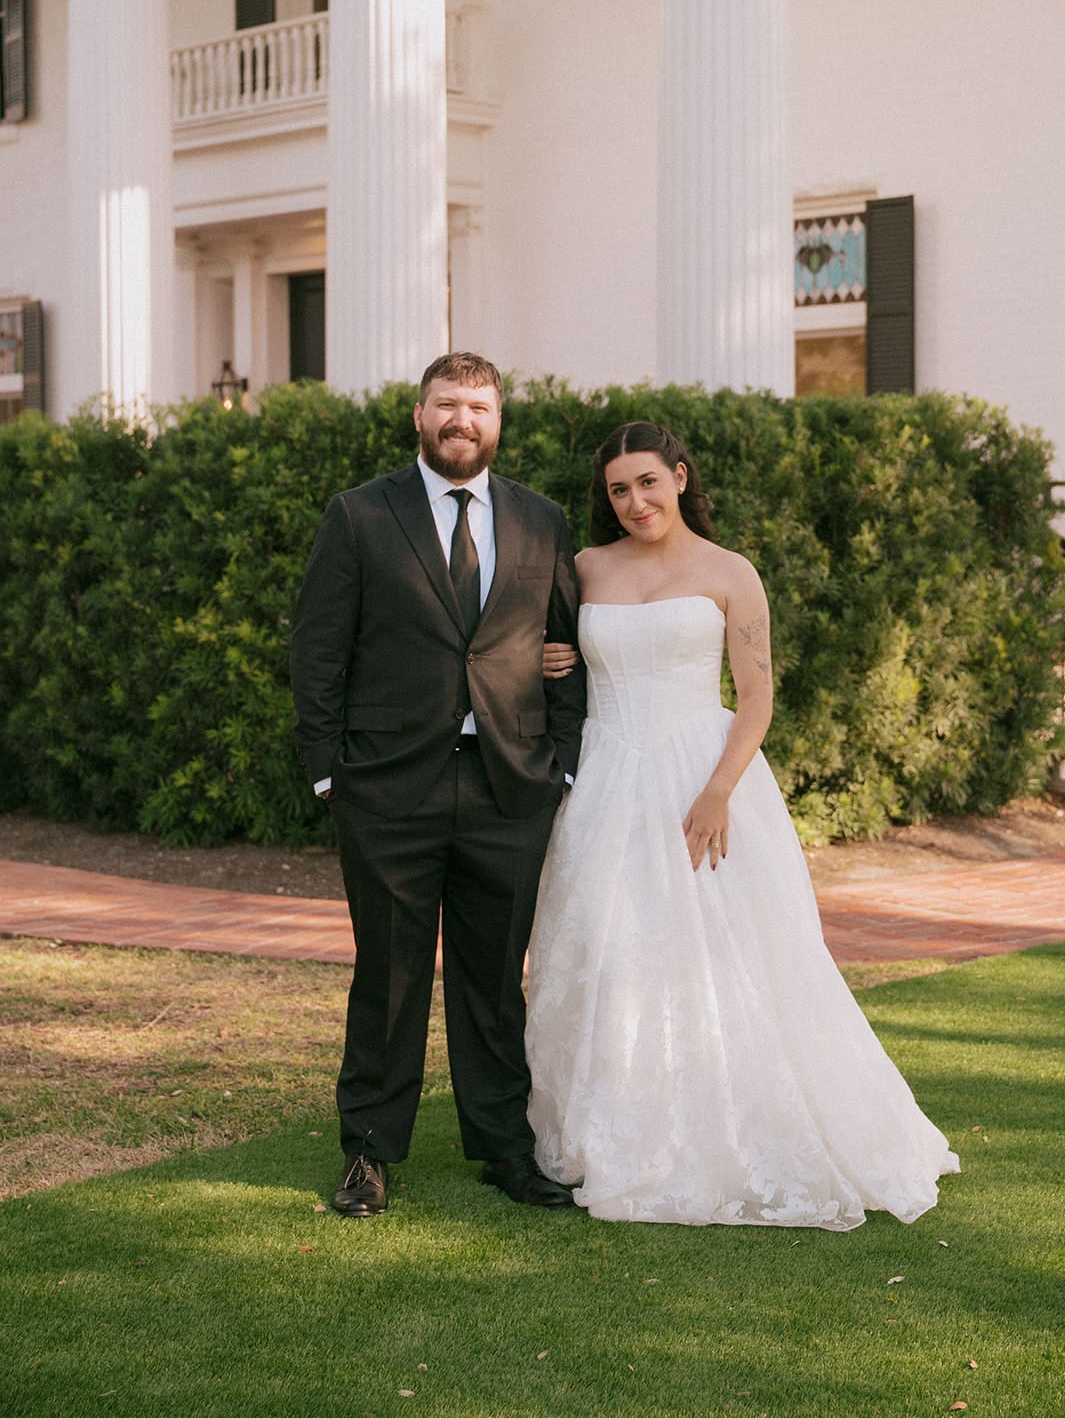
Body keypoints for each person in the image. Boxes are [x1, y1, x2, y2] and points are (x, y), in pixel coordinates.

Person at [527, 420, 959, 1229]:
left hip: (702, 773)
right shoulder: (583, 570)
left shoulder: (729, 572)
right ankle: (617, 1127)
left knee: (731, 956)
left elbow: (755, 695)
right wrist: (551, 658)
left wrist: (719, 790)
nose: (634, 501)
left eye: (648, 482)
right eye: (618, 489)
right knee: (610, 948)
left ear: (680, 478)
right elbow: (543, 655)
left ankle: (739, 1122)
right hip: (607, 778)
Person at [289, 353, 586, 1216]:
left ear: (499, 421)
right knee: (388, 974)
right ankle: (368, 1153)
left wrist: (558, 762)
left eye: (480, 407)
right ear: (419, 415)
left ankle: (503, 1148)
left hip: (509, 784)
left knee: (494, 979)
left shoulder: (541, 520)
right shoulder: (359, 515)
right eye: (448, 405)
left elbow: (570, 649)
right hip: (387, 786)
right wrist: (324, 772)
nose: (464, 420)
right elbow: (317, 650)